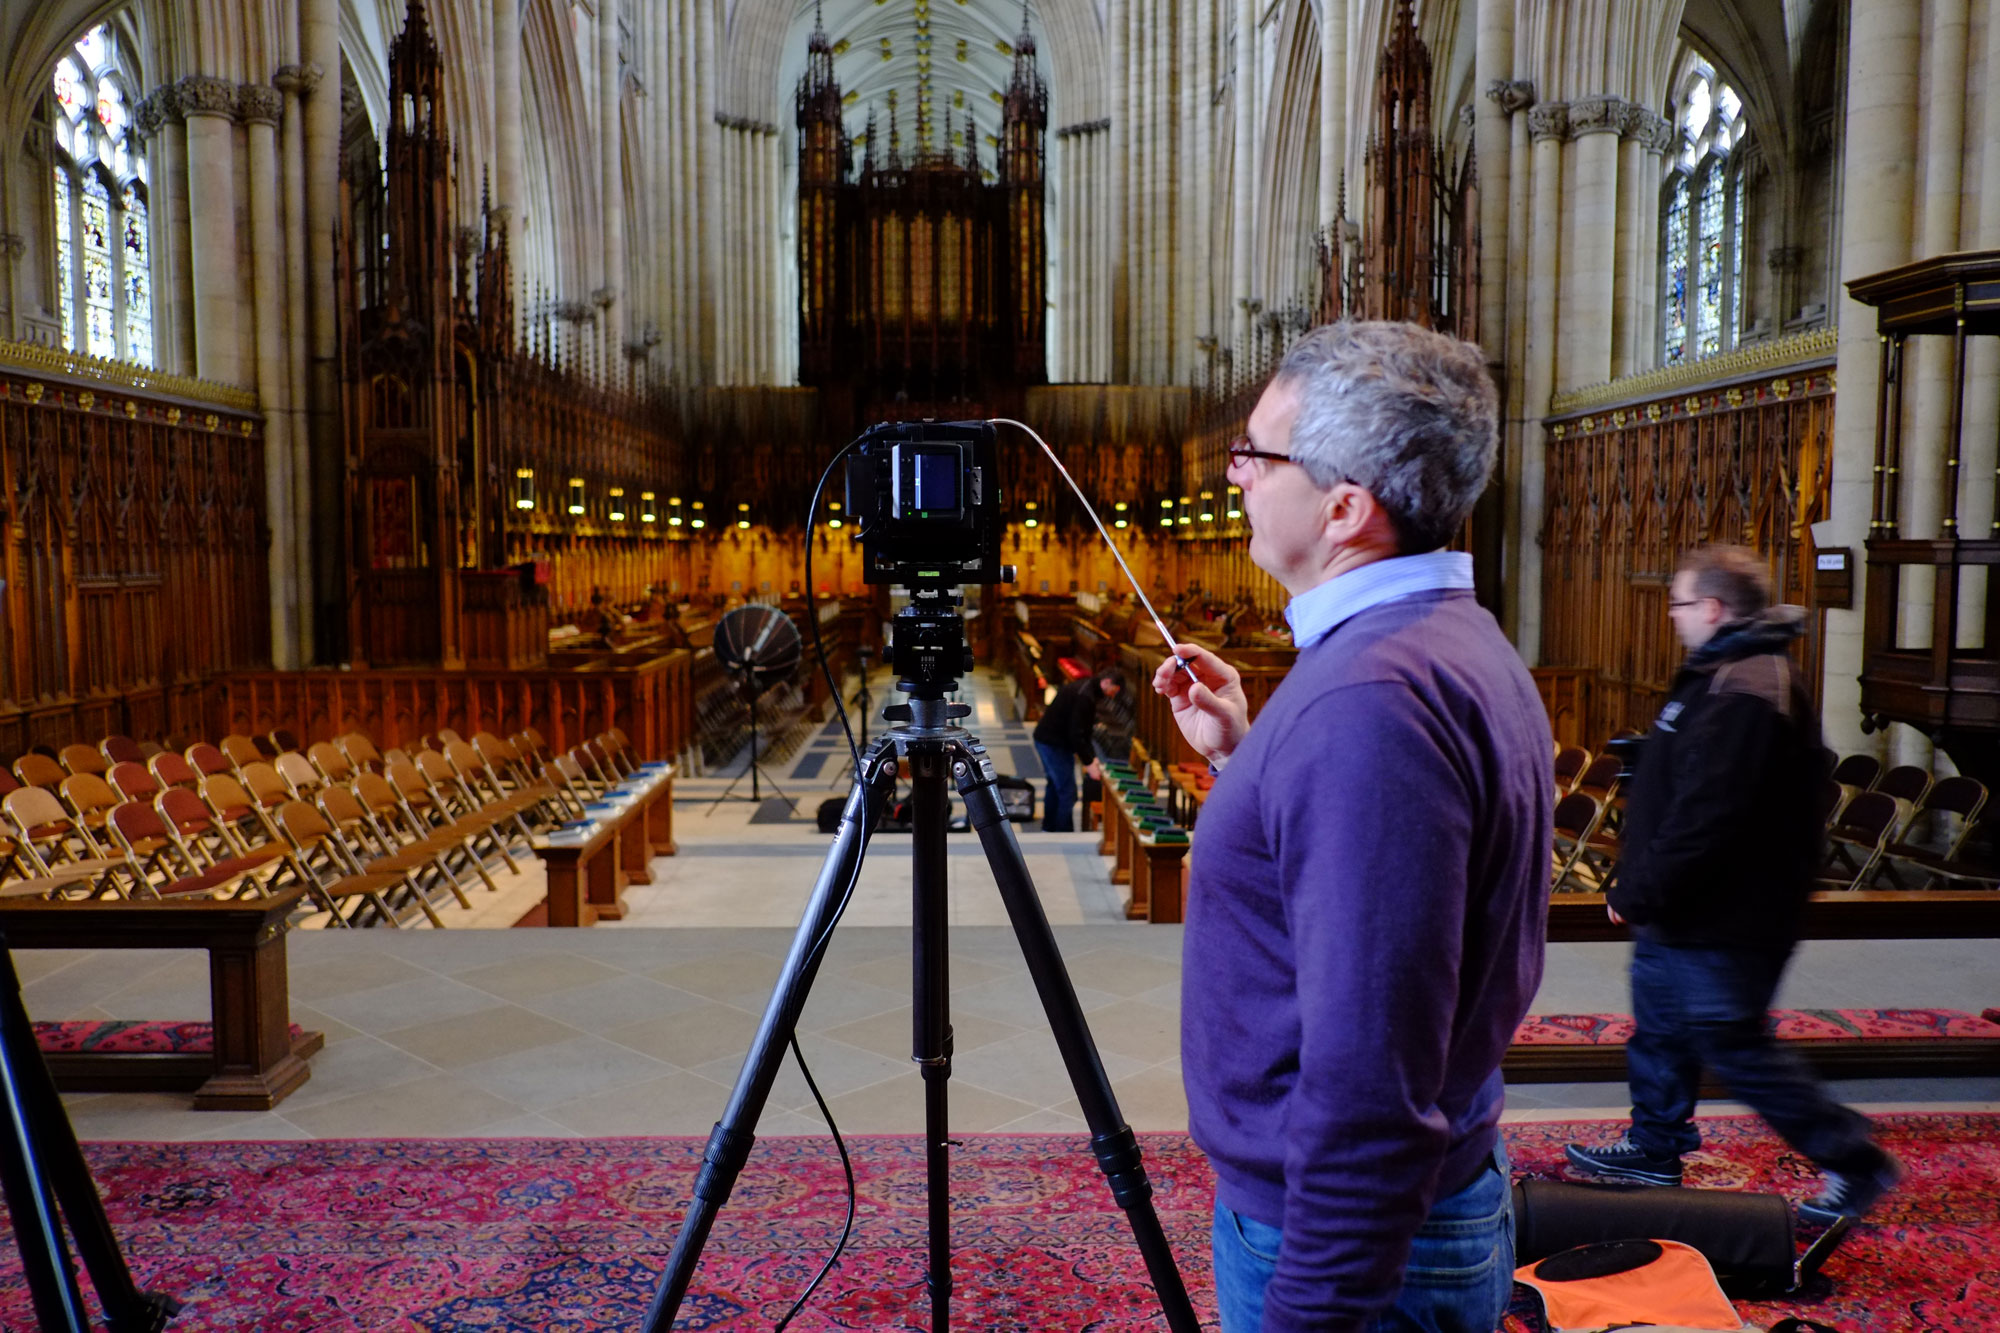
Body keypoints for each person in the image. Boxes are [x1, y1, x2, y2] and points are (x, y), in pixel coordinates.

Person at [1154, 321, 1551, 1333]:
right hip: (1408, 1208)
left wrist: (1312, 1313)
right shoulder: (1435, 641)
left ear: (1344, 506)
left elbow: (1370, 1077)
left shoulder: (1368, 704)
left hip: (1351, 1239)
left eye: (1256, 453)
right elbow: (1374, 891)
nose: (1234, 474)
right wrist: (1247, 758)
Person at [1565, 546, 1901, 1224]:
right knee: (1659, 1029)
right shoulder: (1720, 669)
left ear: (1714, 609)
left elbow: (1712, 811)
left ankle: (1852, 1159)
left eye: (1680, 602)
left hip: (1729, 912)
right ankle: (1655, 1146)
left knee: (1732, 1041)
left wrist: (1637, 890)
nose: (1673, 613)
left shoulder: (1750, 682)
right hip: (1685, 906)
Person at [1032, 669, 1124, 832]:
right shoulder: (1085, 696)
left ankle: (1049, 827)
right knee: (1068, 792)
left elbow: (1084, 731)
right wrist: (1088, 762)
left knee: (1054, 785)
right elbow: (1076, 734)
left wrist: (1091, 757)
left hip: (1047, 739)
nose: (1112, 695)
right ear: (1107, 682)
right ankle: (1062, 832)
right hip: (1053, 743)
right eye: (1113, 691)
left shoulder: (1088, 688)